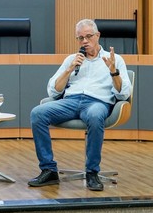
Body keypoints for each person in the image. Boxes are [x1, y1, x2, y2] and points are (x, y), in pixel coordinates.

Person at [28, 18, 132, 191]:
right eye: (80, 38)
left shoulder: (114, 59)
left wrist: (114, 72)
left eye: (88, 36)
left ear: (97, 35)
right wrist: (69, 69)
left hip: (97, 102)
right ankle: (49, 170)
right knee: (37, 113)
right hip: (70, 101)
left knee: (95, 115)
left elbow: (123, 93)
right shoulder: (72, 59)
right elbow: (53, 91)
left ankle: (92, 172)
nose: (84, 41)